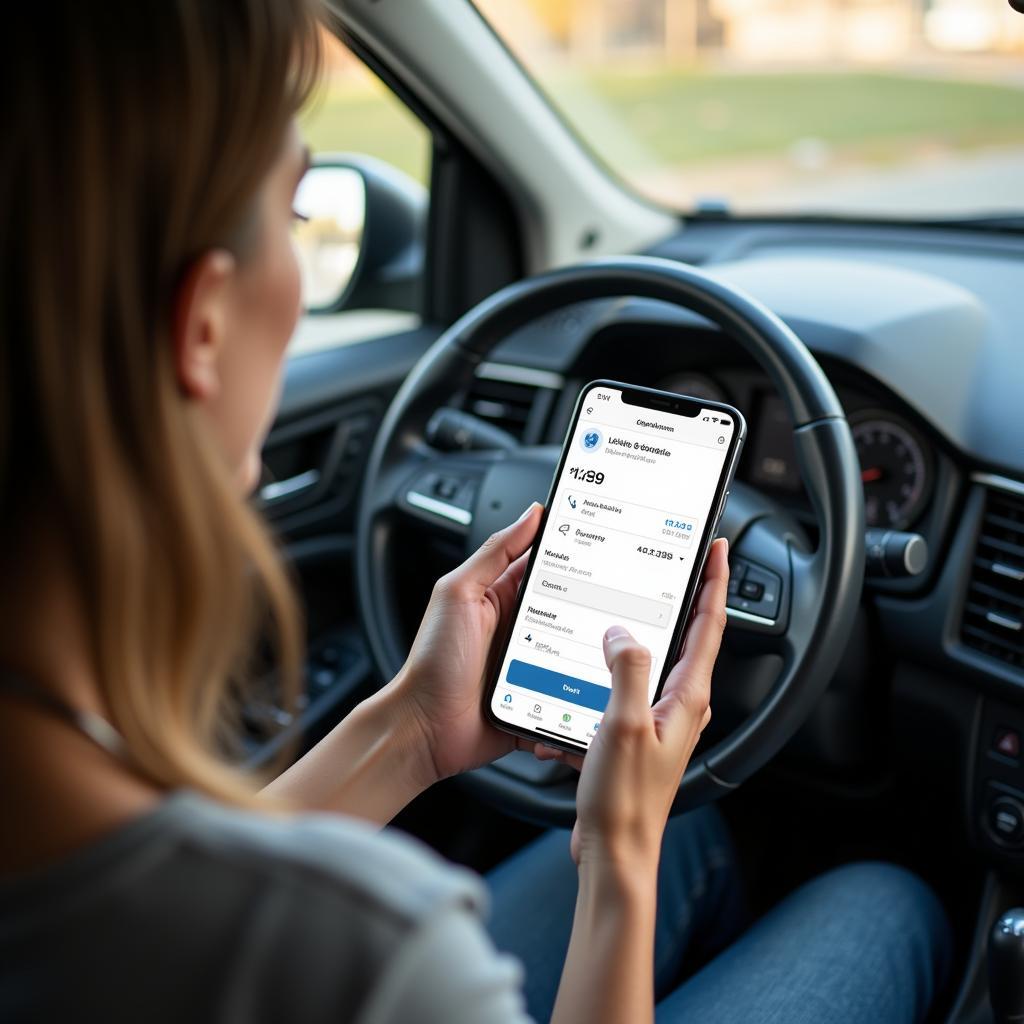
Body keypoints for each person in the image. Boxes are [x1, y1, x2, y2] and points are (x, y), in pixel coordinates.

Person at [0, 2, 950, 1022]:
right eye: (296, 218)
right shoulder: (376, 954)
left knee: (696, 834)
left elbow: (165, 909)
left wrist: (412, 729)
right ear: (201, 325)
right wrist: (616, 857)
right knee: (886, 903)